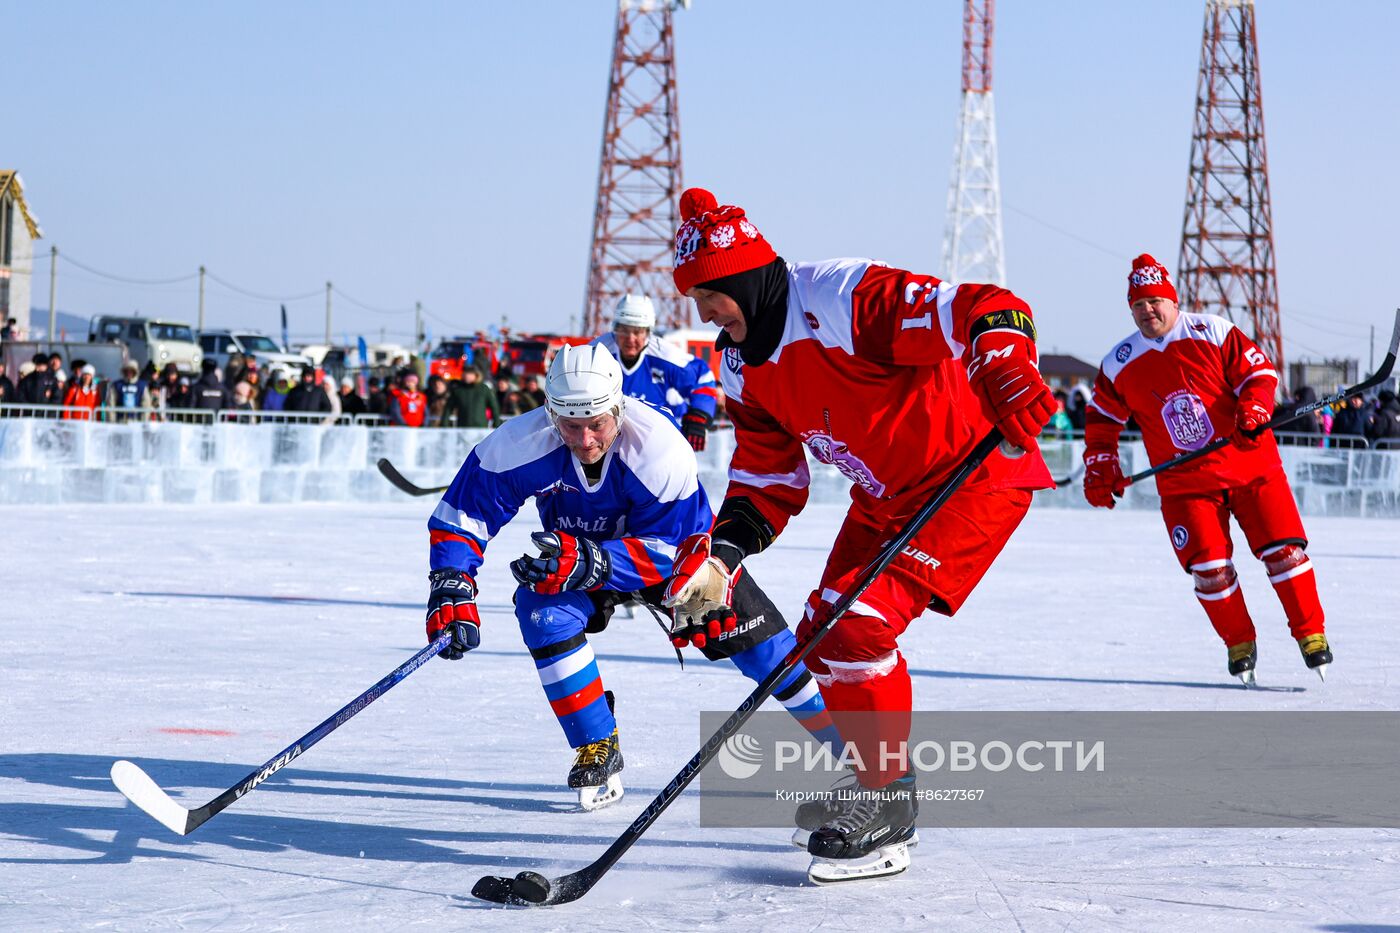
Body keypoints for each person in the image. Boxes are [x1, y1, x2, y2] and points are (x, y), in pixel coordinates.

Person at [658, 187, 1056, 883]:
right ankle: (874, 781)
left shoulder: (837, 297)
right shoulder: (740, 368)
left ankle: (887, 799)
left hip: (970, 474)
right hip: (885, 495)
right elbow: (767, 477)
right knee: (821, 627)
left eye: (708, 295)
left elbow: (985, 304)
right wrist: (722, 559)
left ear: (742, 279)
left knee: (858, 627)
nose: (705, 314)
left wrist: (1002, 361)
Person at [424, 344, 840, 810]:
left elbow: (674, 549)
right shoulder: (518, 443)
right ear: (550, 412)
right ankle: (596, 742)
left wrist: (595, 561)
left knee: (765, 651)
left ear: (618, 409)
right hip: (577, 558)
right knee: (540, 610)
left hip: (678, 562)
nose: (585, 440)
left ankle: (853, 755)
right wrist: (451, 584)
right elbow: (463, 515)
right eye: (571, 426)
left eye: (597, 423)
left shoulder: (659, 447)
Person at [1083, 254, 1331, 687]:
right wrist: (1101, 465)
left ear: (1172, 301)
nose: (1148, 311)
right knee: (1210, 570)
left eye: (1155, 301)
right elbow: (1102, 419)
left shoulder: (1210, 331)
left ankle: (1310, 634)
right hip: (1185, 485)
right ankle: (1239, 642)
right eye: (1138, 305)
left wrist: (1253, 409)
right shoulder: (1119, 361)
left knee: (1284, 555)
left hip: (1251, 468)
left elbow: (1259, 372)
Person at [591, 294, 719, 451]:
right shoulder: (596, 353)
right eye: (624, 330)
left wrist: (698, 417)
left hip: (660, 443)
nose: (631, 339)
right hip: (611, 444)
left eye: (637, 332)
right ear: (615, 329)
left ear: (648, 332)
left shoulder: (665, 355)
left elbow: (702, 376)